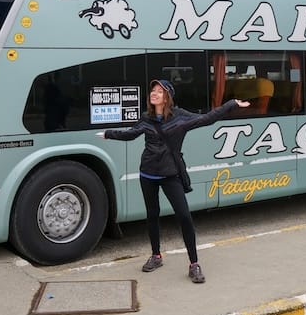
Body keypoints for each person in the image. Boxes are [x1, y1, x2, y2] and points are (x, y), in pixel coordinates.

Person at [102, 79, 249, 283]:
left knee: (184, 216)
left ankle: (194, 264)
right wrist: (109, 134)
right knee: (152, 215)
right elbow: (131, 134)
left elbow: (207, 118)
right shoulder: (146, 118)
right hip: (147, 174)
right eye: (152, 91)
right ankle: (156, 256)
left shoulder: (180, 118)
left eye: (159, 91)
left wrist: (231, 104)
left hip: (170, 174)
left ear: (167, 96)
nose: (153, 94)